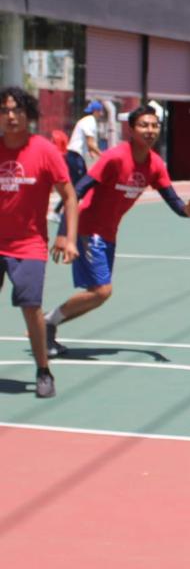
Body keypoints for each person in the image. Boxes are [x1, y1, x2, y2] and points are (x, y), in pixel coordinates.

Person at [44, 105, 190, 354]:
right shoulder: (115, 157)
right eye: (144, 125)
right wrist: (65, 231)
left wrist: (186, 211)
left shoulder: (155, 165)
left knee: (97, 294)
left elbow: (174, 200)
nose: (150, 130)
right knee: (102, 291)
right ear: (132, 129)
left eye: (154, 125)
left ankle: (47, 325)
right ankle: (47, 323)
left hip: (108, 233)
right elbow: (79, 190)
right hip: (88, 228)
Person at [0, 87, 78, 397]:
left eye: (17, 110)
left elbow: (70, 196)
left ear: (29, 116)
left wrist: (67, 237)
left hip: (28, 244)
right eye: (5, 110)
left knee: (31, 307)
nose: (10, 116)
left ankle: (43, 369)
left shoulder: (44, 150)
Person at [66, 100, 104, 184]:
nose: (101, 114)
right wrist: (102, 155)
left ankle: (71, 197)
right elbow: (90, 143)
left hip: (74, 155)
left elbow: (88, 142)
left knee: (77, 183)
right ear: (96, 111)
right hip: (76, 155)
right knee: (80, 183)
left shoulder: (86, 120)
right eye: (100, 111)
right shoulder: (90, 121)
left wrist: (91, 152)